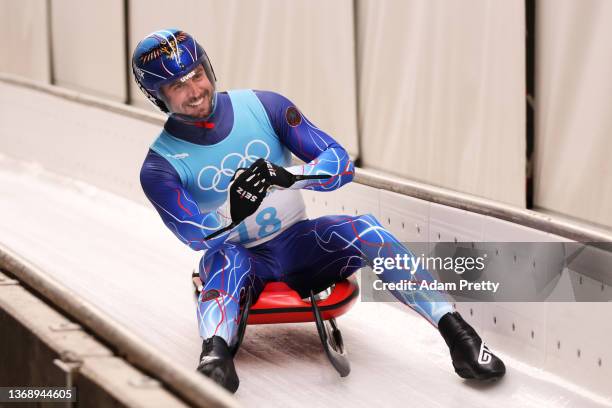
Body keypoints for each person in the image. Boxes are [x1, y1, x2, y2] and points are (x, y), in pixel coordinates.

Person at [133, 29, 505, 393]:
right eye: (177, 86)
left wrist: (287, 176)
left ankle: (459, 334)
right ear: (158, 97)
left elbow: (340, 163)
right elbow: (193, 235)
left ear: (208, 68)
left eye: (196, 75)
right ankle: (213, 356)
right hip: (241, 258)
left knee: (368, 230)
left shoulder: (266, 106)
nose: (195, 92)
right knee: (224, 259)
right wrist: (233, 212)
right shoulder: (159, 166)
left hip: (299, 243)